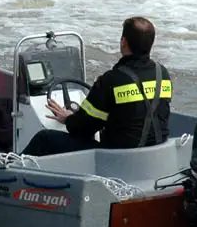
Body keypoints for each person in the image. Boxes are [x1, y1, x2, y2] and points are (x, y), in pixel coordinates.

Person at [23, 16, 172, 156]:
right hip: (155, 156)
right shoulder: (162, 74)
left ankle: (4, 173)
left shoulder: (111, 80)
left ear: (124, 42)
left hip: (116, 159)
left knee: (45, 138)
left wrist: (69, 118)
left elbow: (83, 129)